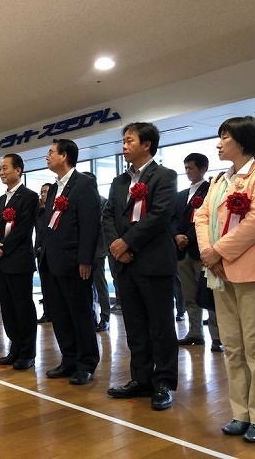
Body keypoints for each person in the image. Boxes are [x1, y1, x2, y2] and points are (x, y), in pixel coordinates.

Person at [195, 116, 255, 443]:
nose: (219, 143)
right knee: (233, 346)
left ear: (244, 140)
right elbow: (202, 215)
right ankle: (241, 413)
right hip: (221, 271)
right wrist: (208, 253)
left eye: (225, 137)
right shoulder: (221, 179)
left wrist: (218, 252)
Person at [103, 122, 178, 410]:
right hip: (125, 264)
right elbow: (108, 215)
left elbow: (160, 215)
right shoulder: (119, 181)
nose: (124, 146)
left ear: (146, 145)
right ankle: (141, 378)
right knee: (134, 325)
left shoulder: (165, 176)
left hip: (154, 261)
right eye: (123, 141)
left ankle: (164, 382)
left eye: (129, 140)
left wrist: (127, 243)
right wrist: (116, 246)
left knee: (161, 325)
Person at [40, 139, 101, 385]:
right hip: (52, 260)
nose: (47, 156)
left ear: (64, 156)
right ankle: (69, 358)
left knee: (80, 313)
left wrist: (85, 259)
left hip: (74, 261)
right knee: (60, 313)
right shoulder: (55, 187)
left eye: (51, 152)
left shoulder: (83, 184)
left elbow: (90, 224)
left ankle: (86, 362)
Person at [0, 154, 39, 370]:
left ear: (18, 170)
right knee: (8, 308)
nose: (1, 172)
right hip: (0, 261)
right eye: (0, 169)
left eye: (5, 168)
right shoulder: (0, 200)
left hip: (18, 260)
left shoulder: (29, 196)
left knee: (22, 307)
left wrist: (2, 248)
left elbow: (24, 228)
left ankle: (27, 352)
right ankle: (15, 348)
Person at [170, 153, 222, 351]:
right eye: (186, 168)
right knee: (189, 294)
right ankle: (195, 333)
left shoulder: (211, 190)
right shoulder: (180, 195)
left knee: (209, 294)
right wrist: (177, 235)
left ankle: (217, 337)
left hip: (202, 250)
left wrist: (188, 237)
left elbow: (208, 219)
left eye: (191, 167)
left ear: (203, 169)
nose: (188, 171)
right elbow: (172, 219)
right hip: (182, 252)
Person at [83, 172, 110, 332]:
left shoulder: (102, 202)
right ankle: (91, 316)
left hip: (98, 249)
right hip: (83, 251)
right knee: (86, 286)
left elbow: (101, 225)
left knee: (100, 285)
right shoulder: (81, 201)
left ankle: (105, 317)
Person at [35, 183, 52, 323]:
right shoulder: (39, 212)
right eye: (42, 192)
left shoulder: (56, 211)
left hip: (53, 252)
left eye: (46, 191)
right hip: (40, 252)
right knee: (45, 284)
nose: (43, 194)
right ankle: (47, 312)